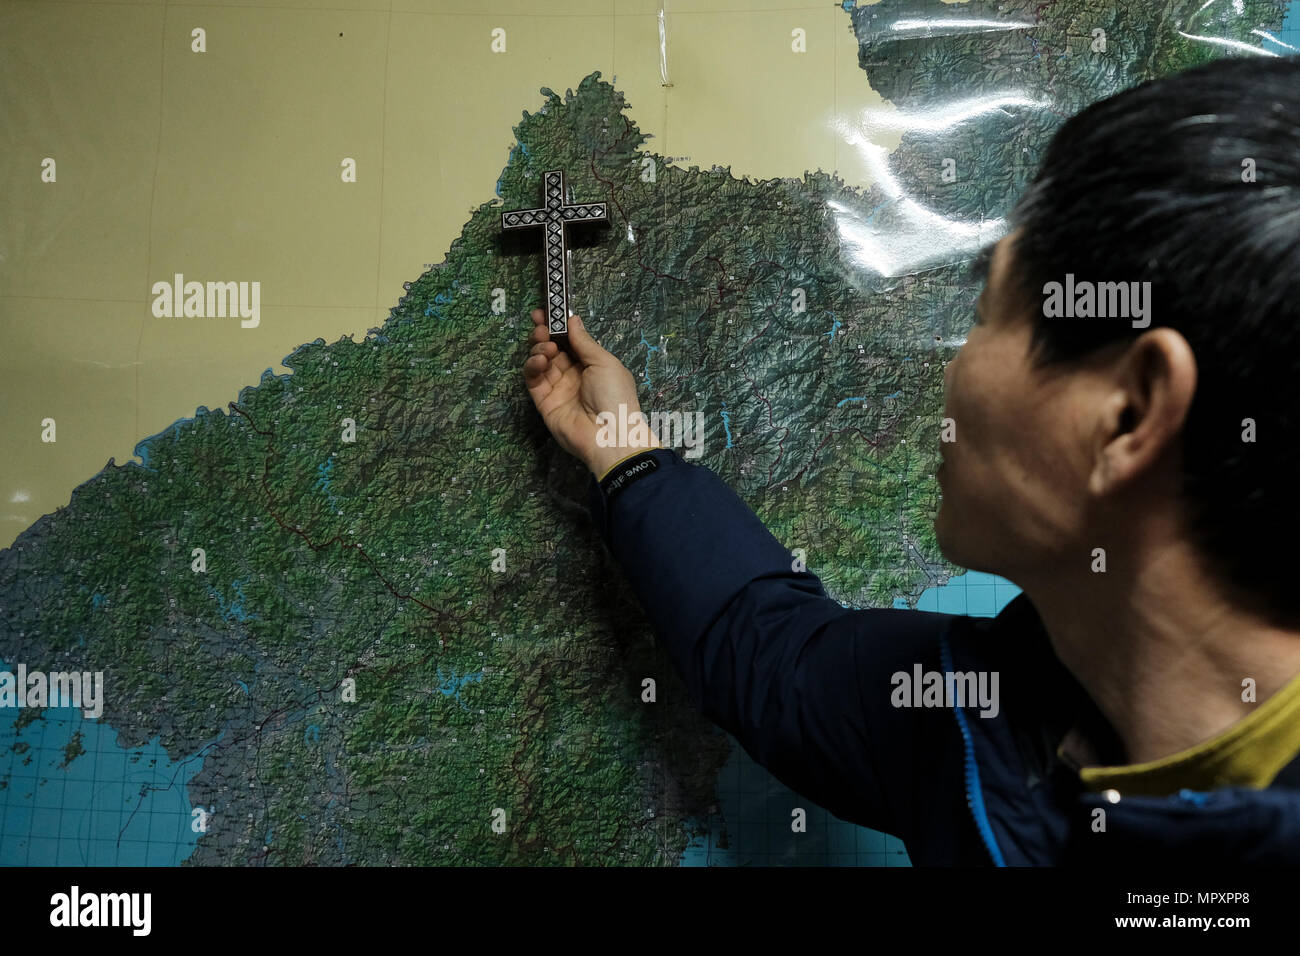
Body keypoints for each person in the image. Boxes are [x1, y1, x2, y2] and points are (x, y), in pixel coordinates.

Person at [520, 55, 1300, 865]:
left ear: (1131, 414)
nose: (954, 368)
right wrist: (624, 451)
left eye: (987, 314)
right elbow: (776, 665)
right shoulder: (986, 708)